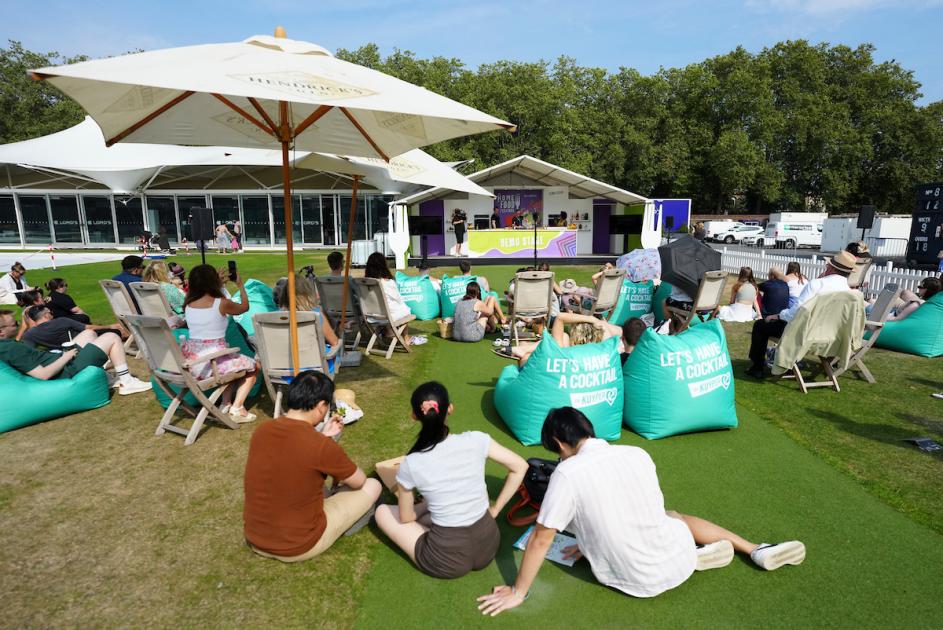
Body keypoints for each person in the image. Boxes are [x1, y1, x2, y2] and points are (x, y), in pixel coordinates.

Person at [476, 407, 806, 616]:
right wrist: (588, 544)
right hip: (668, 554)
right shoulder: (636, 453)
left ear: (559, 445)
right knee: (674, 516)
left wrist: (518, 591)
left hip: (634, 578)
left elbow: (541, 540)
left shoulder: (567, 473)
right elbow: (641, 510)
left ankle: (699, 554)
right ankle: (753, 549)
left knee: (669, 518)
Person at [375, 381, 528, 579]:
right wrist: (496, 509)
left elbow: (406, 518)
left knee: (382, 512)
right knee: (428, 515)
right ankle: (431, 511)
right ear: (450, 409)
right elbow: (520, 467)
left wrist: (423, 506)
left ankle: (429, 511)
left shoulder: (411, 464)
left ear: (414, 416)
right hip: (488, 545)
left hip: (445, 560)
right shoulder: (477, 439)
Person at [244, 370, 382, 562]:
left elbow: (294, 454)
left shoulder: (262, 430)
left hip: (256, 538)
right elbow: (359, 481)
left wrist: (324, 436)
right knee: (373, 485)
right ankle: (346, 524)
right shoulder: (319, 445)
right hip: (298, 545)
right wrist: (325, 442)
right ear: (320, 406)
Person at [745, 250, 857, 378]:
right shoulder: (849, 293)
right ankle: (786, 365)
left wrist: (777, 315)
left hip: (805, 334)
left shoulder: (817, 284)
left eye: (828, 265)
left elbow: (797, 312)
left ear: (831, 268)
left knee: (760, 325)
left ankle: (757, 367)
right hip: (831, 337)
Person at [0, 309, 151, 394]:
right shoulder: (10, 348)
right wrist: (66, 356)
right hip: (65, 369)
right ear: (1, 332)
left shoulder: (7, 345)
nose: (20, 324)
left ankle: (107, 378)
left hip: (58, 359)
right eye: (15, 323)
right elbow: (43, 375)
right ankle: (127, 381)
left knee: (88, 334)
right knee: (111, 337)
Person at [182, 264, 259, 421]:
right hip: (213, 363)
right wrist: (240, 285)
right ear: (213, 281)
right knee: (254, 366)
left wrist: (219, 284)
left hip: (193, 363)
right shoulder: (221, 303)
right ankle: (237, 408)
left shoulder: (188, 305)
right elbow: (244, 307)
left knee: (233, 363)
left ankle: (225, 403)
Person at [510, 312, 623, 366]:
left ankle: (523, 350)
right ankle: (524, 349)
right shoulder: (603, 351)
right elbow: (621, 331)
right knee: (564, 336)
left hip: (548, 374)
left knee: (524, 349)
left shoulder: (567, 355)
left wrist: (591, 318)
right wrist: (601, 324)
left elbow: (560, 317)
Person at [364, 252, 426, 346]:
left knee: (396, 307)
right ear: (383, 265)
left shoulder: (364, 283)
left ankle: (387, 331)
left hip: (371, 316)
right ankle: (406, 338)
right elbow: (398, 299)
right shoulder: (387, 282)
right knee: (404, 309)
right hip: (387, 316)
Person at [21, 304, 122, 349]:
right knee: (114, 333)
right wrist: (110, 326)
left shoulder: (29, 334)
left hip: (60, 352)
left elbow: (29, 351)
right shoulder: (61, 321)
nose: (52, 314)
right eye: (50, 312)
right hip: (81, 345)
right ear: (46, 315)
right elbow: (88, 328)